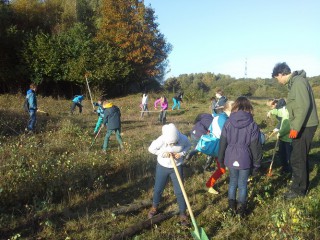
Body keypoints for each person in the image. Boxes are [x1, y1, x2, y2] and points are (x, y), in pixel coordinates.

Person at [272, 62, 319, 199]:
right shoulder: (295, 82)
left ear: (281, 74)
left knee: (297, 158)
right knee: (299, 156)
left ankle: (298, 191)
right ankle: (300, 185)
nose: (278, 81)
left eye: (277, 78)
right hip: (303, 124)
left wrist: (295, 128)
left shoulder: (298, 82)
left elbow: (303, 106)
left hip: (304, 126)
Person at [218, 96, 262, 216]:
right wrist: (257, 164)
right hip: (245, 159)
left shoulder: (228, 122)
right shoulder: (252, 124)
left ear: (235, 106)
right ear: (249, 108)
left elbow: (222, 143)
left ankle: (231, 207)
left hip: (230, 157)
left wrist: (220, 160)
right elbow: (256, 147)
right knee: (243, 184)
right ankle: (241, 210)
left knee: (232, 182)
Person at [148, 123, 191, 226]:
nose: (172, 145)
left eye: (174, 143)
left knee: (180, 191)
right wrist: (163, 153)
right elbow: (151, 149)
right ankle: (154, 207)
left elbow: (188, 146)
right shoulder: (161, 140)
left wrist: (181, 154)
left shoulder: (183, 138)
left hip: (177, 166)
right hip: (162, 167)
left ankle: (182, 212)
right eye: (170, 144)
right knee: (158, 188)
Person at [205, 100, 234, 194]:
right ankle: (209, 185)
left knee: (228, 165)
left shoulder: (219, 116)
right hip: (220, 147)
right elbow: (228, 135)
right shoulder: (224, 119)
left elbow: (209, 130)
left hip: (217, 145)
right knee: (222, 169)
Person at [267, 101, 292, 174]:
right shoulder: (284, 109)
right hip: (282, 138)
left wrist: (280, 133)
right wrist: (271, 112)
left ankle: (291, 170)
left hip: (289, 138)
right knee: (282, 154)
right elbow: (278, 111)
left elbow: (288, 126)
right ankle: (284, 168)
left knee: (289, 156)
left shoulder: (290, 111)